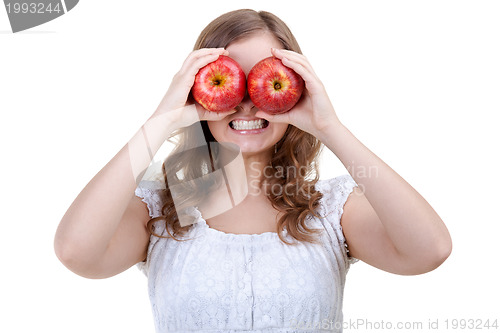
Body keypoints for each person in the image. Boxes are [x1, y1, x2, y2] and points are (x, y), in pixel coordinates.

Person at [54, 9, 452, 332]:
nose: (246, 103)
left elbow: (429, 251)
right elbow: (76, 253)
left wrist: (330, 127)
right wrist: (161, 121)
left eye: (265, 79)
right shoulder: (161, 211)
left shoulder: (330, 211)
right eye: (229, 79)